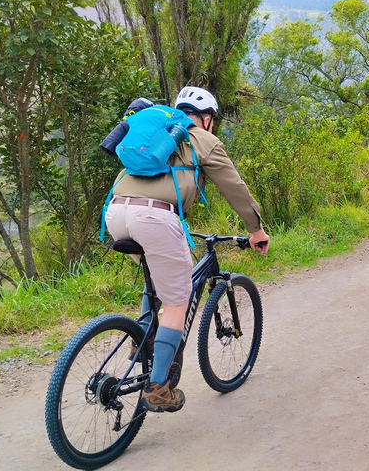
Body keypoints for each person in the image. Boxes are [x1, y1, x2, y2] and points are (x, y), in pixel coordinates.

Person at [104, 86, 270, 413]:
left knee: (155, 279)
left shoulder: (156, 129)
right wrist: (256, 229)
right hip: (154, 217)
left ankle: (144, 339)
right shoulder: (205, 140)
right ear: (206, 119)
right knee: (178, 301)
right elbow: (234, 188)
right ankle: (158, 387)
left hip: (116, 212)